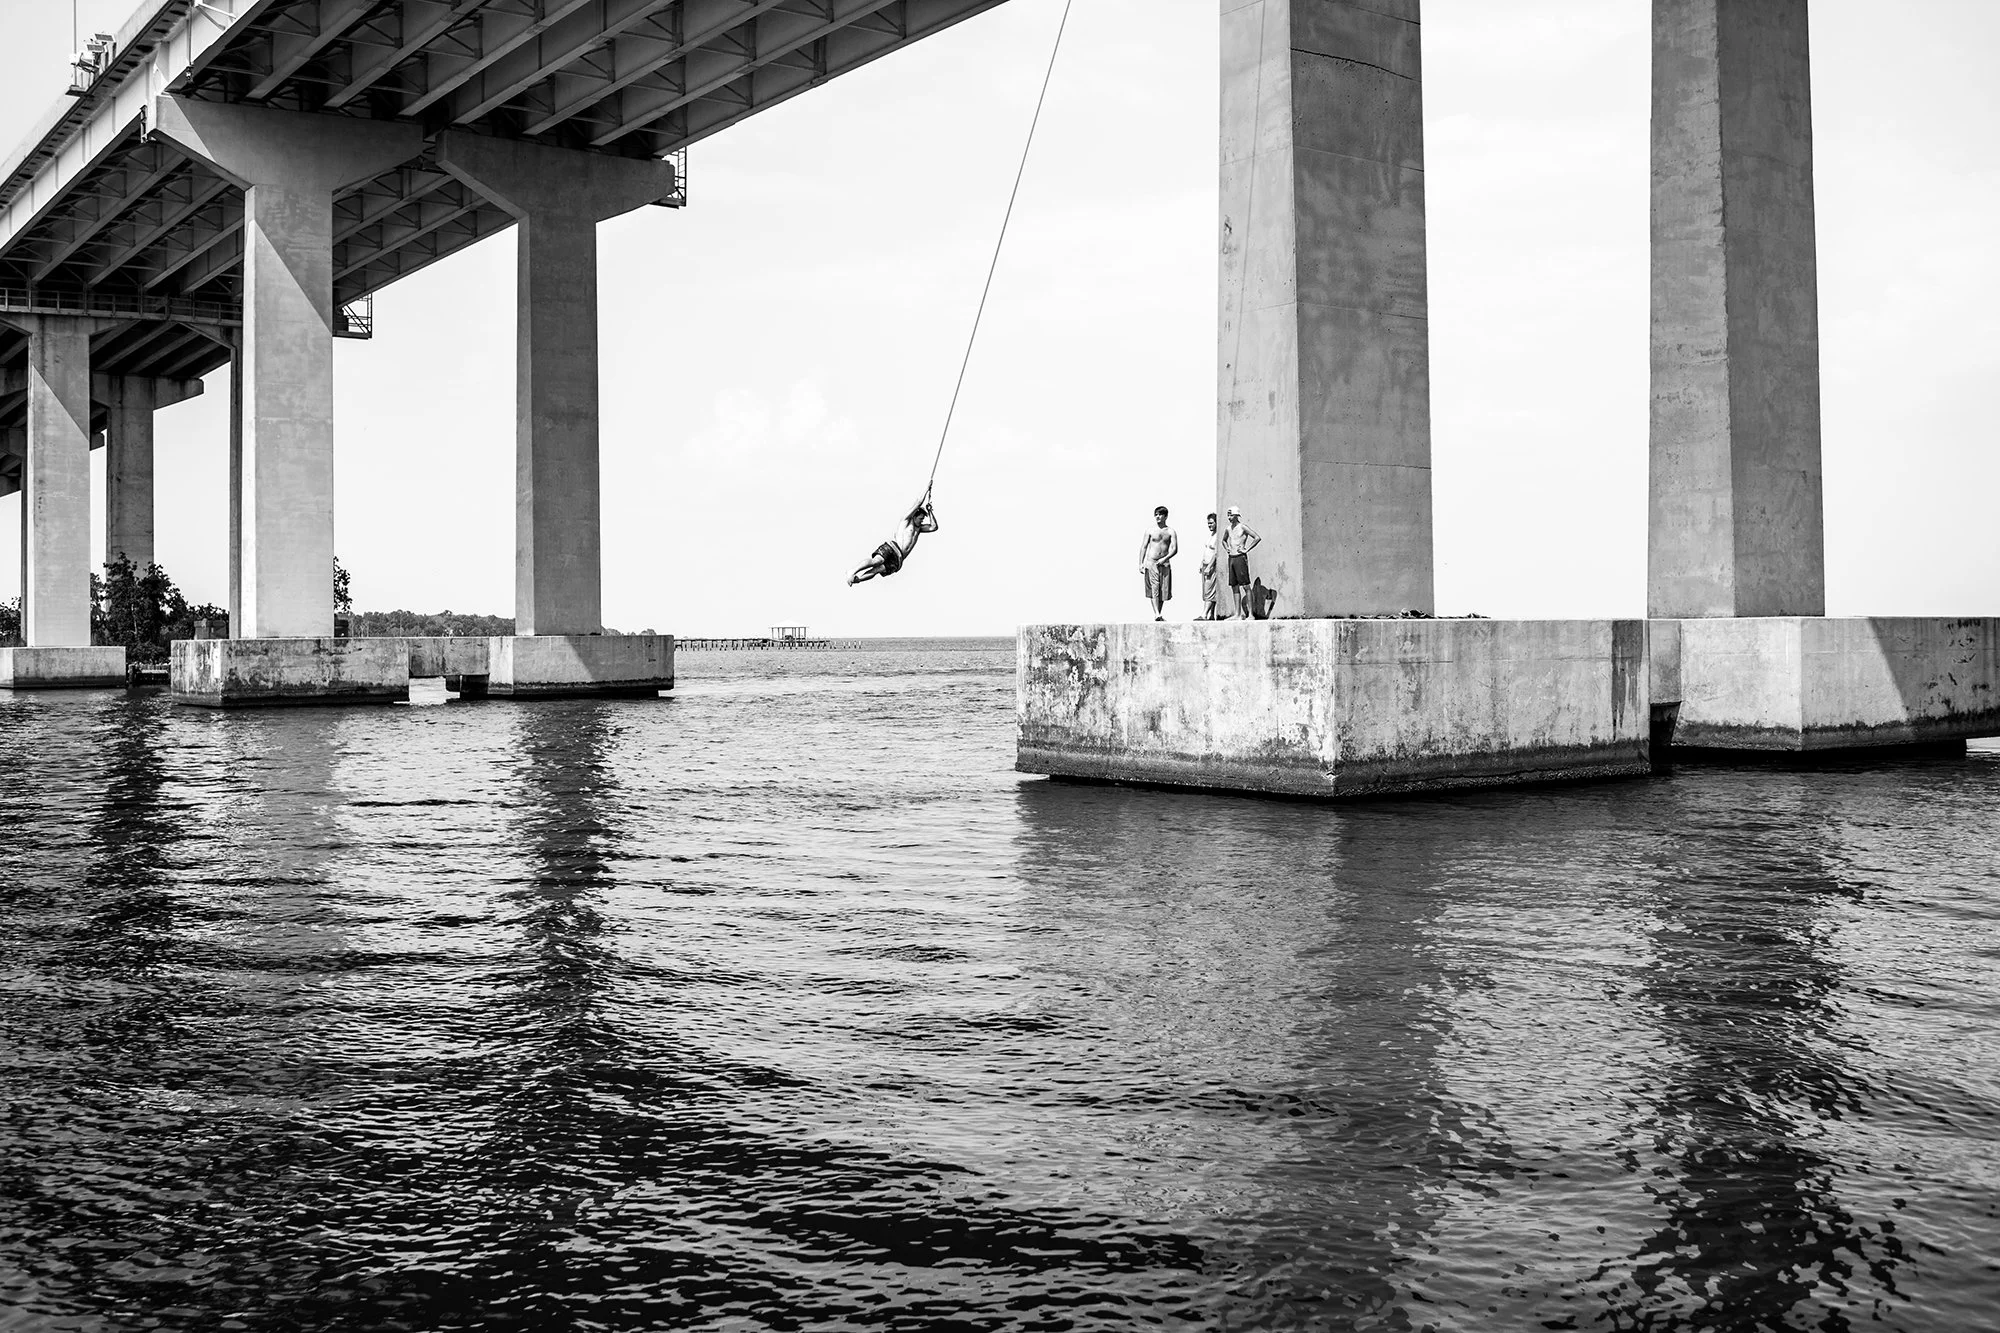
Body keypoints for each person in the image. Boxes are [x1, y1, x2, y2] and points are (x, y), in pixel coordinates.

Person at [849, 496, 939, 585]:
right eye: (920, 519)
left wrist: (930, 511)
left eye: (923, 519)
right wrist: (927, 487)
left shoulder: (919, 529)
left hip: (898, 559)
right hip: (892, 547)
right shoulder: (906, 520)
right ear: (914, 516)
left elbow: (934, 527)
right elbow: (918, 502)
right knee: (877, 561)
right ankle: (852, 571)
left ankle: (858, 579)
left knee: (877, 570)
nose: (921, 521)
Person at [1220, 505, 1262, 619]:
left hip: (1240, 557)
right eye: (1228, 515)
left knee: (1245, 586)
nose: (1229, 517)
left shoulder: (1243, 527)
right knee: (1234, 586)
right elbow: (1223, 540)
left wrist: (1247, 549)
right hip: (1232, 558)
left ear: (1236, 515)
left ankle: (1251, 614)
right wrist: (1227, 547)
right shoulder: (1228, 529)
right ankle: (1237, 614)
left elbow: (1257, 537)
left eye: (1230, 515)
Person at [1138, 505, 1179, 621]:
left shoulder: (1171, 531)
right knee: (1154, 588)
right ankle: (1157, 613)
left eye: (1160, 514)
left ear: (1165, 516)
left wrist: (1165, 558)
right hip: (1152, 562)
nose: (1158, 517)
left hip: (1164, 563)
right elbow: (1143, 547)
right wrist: (1140, 563)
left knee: (1163, 590)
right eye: (1156, 514)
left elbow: (1175, 549)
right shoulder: (1150, 530)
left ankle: (1158, 613)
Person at [1199, 512, 1221, 620]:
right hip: (1205, 564)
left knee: (1209, 590)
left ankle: (1204, 614)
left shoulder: (1218, 536)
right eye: (1208, 523)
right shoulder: (1211, 536)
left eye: (1211, 523)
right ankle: (1211, 614)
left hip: (1211, 566)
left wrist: (1209, 566)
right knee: (1208, 590)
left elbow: (1216, 553)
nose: (1209, 525)